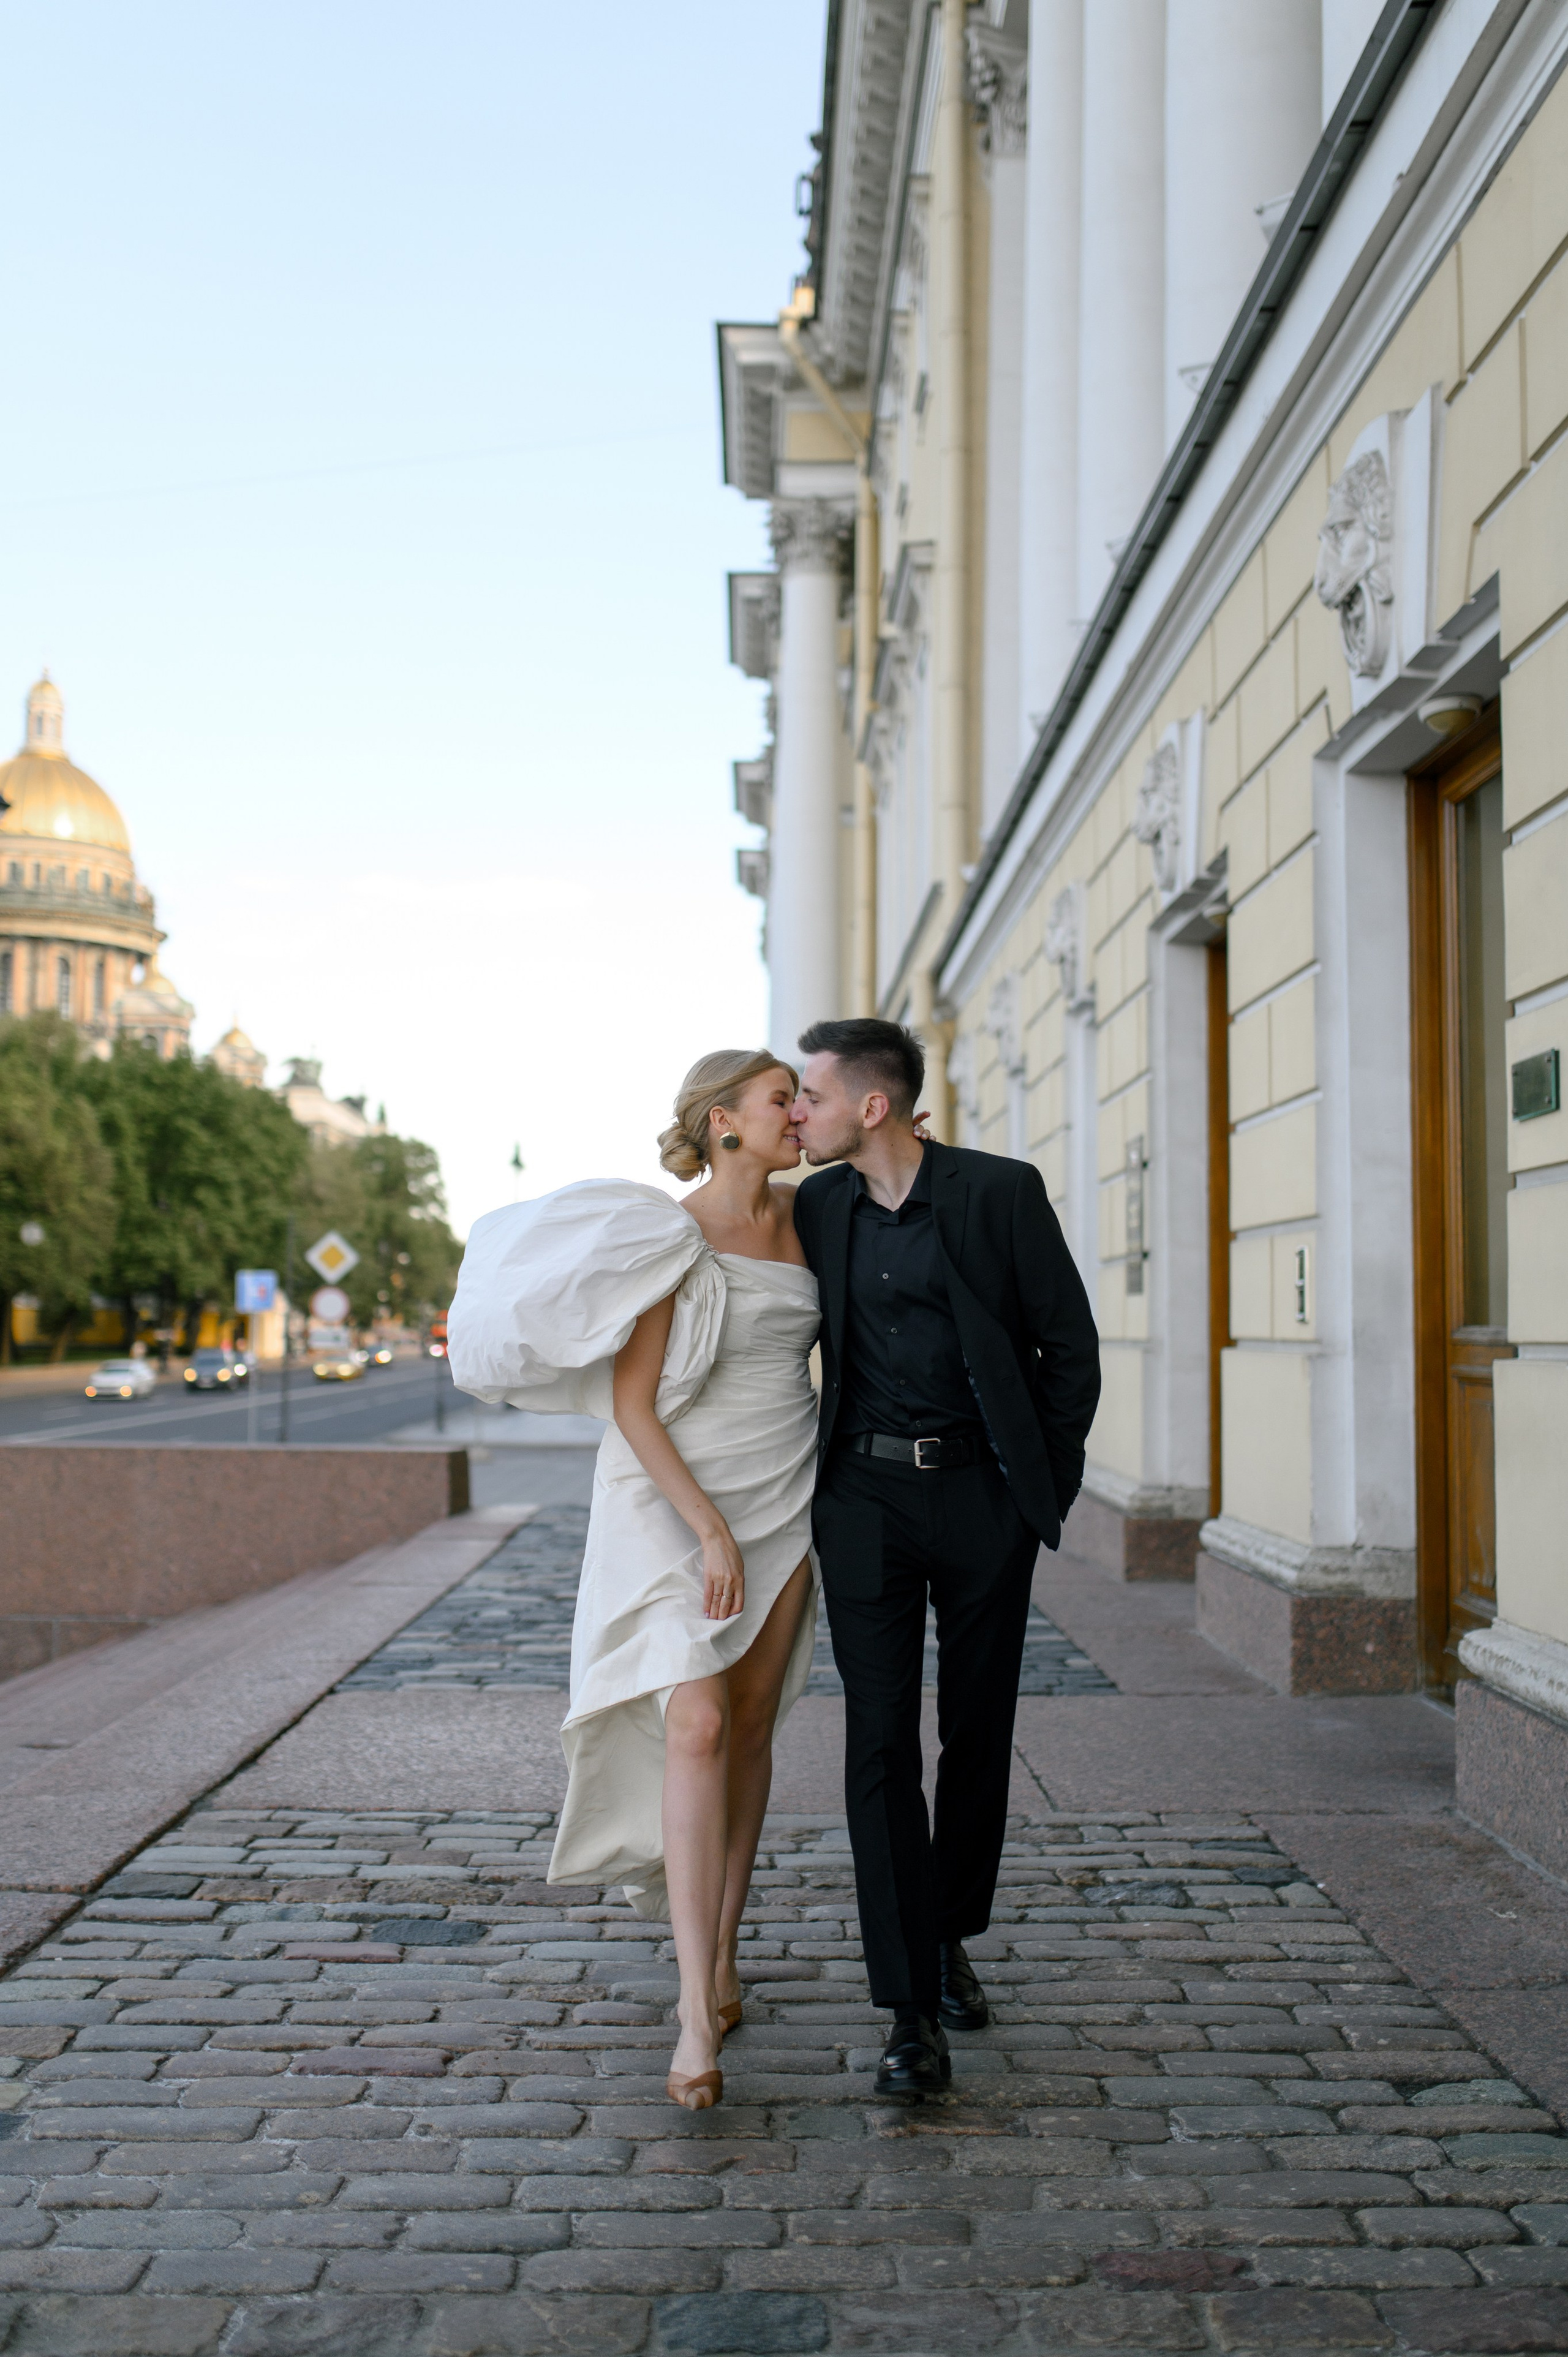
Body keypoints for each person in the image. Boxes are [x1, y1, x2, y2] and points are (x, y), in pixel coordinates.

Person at [447, 1050, 818, 2112]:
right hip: (671, 1500)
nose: (799, 1113)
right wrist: (708, 1530)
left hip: (784, 1488)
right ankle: (694, 2008)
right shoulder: (668, 1239)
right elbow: (634, 1405)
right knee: (696, 1723)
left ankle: (724, 1959)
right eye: (781, 1099)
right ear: (723, 1122)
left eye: (802, 1097)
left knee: (751, 1729)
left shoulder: (815, 1218)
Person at [790, 1017, 1100, 2098]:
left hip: (980, 1498)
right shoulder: (815, 1206)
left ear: (872, 1106)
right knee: (878, 1741)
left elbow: (1070, 1349)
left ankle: (950, 1929)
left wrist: (1035, 1494)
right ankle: (908, 2008)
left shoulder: (999, 1192)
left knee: (977, 1731)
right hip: (864, 1500)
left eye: (812, 1096)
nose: (799, 1113)